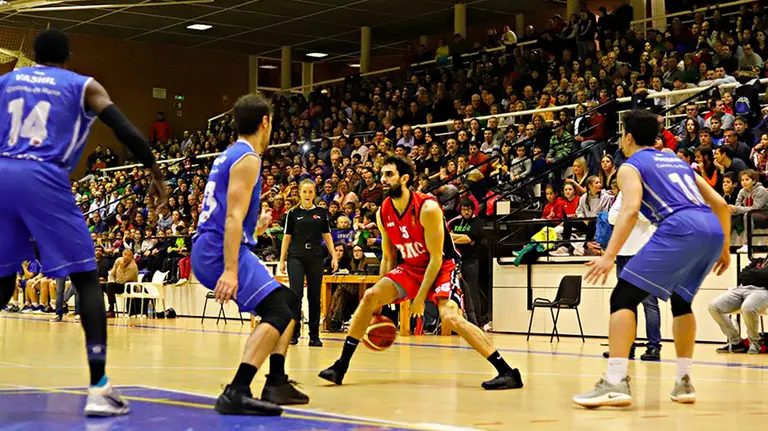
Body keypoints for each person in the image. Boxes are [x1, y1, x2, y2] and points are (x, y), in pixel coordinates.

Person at [0, 29, 168, 417]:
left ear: (34, 56)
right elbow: (123, 129)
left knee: (3, 279)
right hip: (43, 175)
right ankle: (99, 387)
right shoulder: (82, 85)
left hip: (3, 175)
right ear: (67, 56)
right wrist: (155, 171)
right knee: (86, 279)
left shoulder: (6, 81)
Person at [318, 155, 523, 390]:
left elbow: (436, 258)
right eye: (381, 174)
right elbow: (388, 257)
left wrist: (418, 298)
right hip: (411, 268)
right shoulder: (383, 211)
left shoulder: (427, 208)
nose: (382, 179)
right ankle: (340, 367)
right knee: (369, 297)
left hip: (442, 266)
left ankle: (507, 371)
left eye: (389, 174)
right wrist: (380, 302)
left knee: (450, 318)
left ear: (404, 179)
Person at [573, 110, 730, 408]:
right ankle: (684, 382)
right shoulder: (676, 160)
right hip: (710, 229)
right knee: (681, 302)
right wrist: (722, 248)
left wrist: (609, 255)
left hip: (679, 227)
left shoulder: (630, 166)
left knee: (623, 297)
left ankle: (616, 381)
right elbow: (721, 204)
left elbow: (630, 209)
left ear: (628, 138)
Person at [191, 93, 307, 416]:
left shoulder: (230, 154)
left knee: (288, 299)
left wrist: (256, 226)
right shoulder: (249, 158)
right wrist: (230, 271)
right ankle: (237, 390)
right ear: (265, 122)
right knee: (279, 309)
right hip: (218, 250)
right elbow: (230, 218)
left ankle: (277, 381)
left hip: (214, 245)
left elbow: (232, 215)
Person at [601, 191, 662, 361]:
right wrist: (629, 212)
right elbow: (612, 217)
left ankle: (653, 347)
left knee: (649, 302)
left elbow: (646, 216)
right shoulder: (623, 192)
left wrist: (628, 212)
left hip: (643, 253)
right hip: (623, 253)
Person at [279, 179, 338, 347]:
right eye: (304, 191)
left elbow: (327, 236)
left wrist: (334, 256)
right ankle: (294, 332)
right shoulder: (292, 212)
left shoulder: (321, 212)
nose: (307, 195)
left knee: (314, 296)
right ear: (299, 192)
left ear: (314, 193)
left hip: (315, 257)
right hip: (296, 256)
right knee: (296, 295)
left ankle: (314, 335)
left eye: (310, 192)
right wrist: (282, 260)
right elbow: (286, 237)